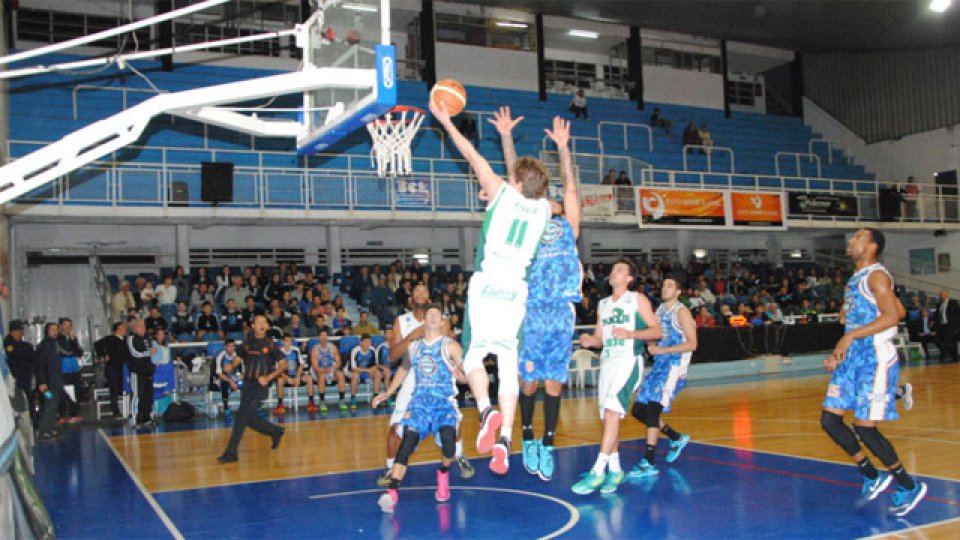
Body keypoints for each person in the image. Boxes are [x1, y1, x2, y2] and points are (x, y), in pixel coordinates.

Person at [437, 101, 551, 468]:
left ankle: (486, 410)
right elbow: (521, 181)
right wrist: (507, 140)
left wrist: (445, 121)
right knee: (507, 362)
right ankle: (505, 440)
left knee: (473, 356)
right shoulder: (545, 209)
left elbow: (469, 153)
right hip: (516, 291)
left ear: (515, 182)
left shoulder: (499, 191)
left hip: (487, 286)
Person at [820, 228, 926, 517]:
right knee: (830, 420)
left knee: (865, 427)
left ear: (872, 247)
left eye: (858, 237)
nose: (850, 241)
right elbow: (899, 310)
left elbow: (892, 318)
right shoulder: (858, 278)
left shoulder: (877, 276)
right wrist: (841, 349)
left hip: (874, 358)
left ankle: (908, 486)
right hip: (852, 358)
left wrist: (851, 335)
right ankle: (870, 474)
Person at [512, 115, 582, 480]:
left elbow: (570, 189)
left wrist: (563, 149)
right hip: (532, 309)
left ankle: (549, 443)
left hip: (561, 310)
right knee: (529, 382)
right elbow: (515, 190)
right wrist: (507, 140)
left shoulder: (568, 224)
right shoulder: (528, 222)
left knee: (554, 382)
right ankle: (527, 437)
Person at [572, 258, 661, 495]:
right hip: (608, 363)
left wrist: (631, 334)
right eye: (612, 269)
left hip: (628, 361)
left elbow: (657, 331)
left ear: (629, 278)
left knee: (612, 412)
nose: (613, 272)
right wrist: (591, 341)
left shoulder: (637, 299)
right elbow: (600, 338)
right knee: (608, 419)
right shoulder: (603, 304)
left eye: (619, 270)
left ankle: (597, 471)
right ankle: (615, 469)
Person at [372, 304, 466, 513]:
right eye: (429, 314)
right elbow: (403, 369)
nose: (432, 317)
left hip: (443, 405)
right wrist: (388, 392)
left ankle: (443, 474)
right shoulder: (414, 347)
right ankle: (392, 492)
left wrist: (463, 377)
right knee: (406, 443)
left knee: (449, 442)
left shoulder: (451, 346)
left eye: (437, 314)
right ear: (424, 321)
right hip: (420, 405)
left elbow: (467, 373)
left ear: (442, 322)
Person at [378, 283, 474, 486]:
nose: (421, 293)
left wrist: (463, 375)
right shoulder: (401, 321)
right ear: (411, 297)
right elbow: (393, 356)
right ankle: (390, 468)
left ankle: (459, 457)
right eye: (417, 291)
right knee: (396, 428)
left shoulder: (439, 320)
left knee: (451, 424)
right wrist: (411, 337)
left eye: (424, 291)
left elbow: (445, 348)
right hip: (411, 374)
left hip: (438, 374)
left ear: (429, 298)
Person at [628, 275, 697, 479]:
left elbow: (693, 344)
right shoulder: (659, 311)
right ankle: (676, 437)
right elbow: (655, 336)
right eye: (664, 285)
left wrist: (664, 351)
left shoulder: (681, 312)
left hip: (673, 368)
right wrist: (650, 344)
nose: (665, 288)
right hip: (659, 366)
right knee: (638, 410)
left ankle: (648, 462)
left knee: (652, 411)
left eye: (670, 285)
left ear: (678, 292)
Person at [218, 314, 286, 463]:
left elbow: (283, 365)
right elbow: (238, 357)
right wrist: (231, 365)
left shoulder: (271, 345)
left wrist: (268, 378)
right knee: (244, 417)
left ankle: (231, 453)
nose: (261, 325)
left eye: (264, 322)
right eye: (258, 322)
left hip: (260, 387)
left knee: (241, 417)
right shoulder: (247, 342)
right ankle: (275, 431)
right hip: (247, 385)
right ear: (253, 326)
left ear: (267, 326)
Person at [275, 334, 318, 414]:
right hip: (285, 376)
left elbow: (301, 365)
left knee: (309, 378)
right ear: (283, 342)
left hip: (296, 374)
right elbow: (278, 369)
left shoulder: (296, 350)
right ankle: (280, 405)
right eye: (287, 341)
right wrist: (287, 378)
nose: (289, 343)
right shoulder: (279, 352)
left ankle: (311, 403)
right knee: (280, 380)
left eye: (290, 341)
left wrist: (297, 377)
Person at [126, 319, 156, 429]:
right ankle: (135, 419)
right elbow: (134, 353)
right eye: (140, 326)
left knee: (148, 395)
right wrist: (148, 352)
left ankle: (147, 418)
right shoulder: (131, 338)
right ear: (134, 328)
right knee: (137, 395)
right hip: (137, 372)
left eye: (143, 325)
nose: (143, 328)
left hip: (148, 371)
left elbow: (152, 353)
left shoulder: (148, 338)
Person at [94, 322, 128, 418]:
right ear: (117, 329)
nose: (125, 329)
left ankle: (125, 409)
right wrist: (104, 355)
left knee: (123, 388)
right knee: (114, 389)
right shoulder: (110, 339)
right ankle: (115, 411)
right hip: (112, 367)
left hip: (123, 367)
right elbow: (97, 344)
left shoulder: (126, 339)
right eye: (122, 327)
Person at [36, 322, 63, 441]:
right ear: (47, 331)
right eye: (52, 329)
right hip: (47, 384)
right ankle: (43, 431)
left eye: (56, 329)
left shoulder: (55, 344)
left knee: (54, 406)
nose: (54, 332)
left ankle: (50, 428)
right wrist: (42, 382)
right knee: (49, 406)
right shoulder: (43, 346)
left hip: (56, 382)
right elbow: (39, 366)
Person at [310, 330, 347, 412]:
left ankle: (342, 400)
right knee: (321, 376)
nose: (324, 337)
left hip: (331, 370)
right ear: (319, 337)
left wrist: (333, 369)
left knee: (340, 374)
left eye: (325, 335)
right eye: (322, 335)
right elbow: (315, 367)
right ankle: (322, 401)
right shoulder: (315, 349)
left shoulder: (333, 347)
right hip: (319, 371)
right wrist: (325, 370)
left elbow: (338, 362)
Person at [57, 317, 84, 424]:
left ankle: (74, 414)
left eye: (70, 325)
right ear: (61, 326)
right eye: (66, 325)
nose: (68, 328)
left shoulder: (73, 339)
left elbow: (79, 352)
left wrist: (73, 341)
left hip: (74, 369)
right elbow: (65, 351)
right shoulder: (57, 339)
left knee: (75, 392)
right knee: (63, 393)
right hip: (62, 369)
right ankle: (62, 414)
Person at [349, 334, 381, 410]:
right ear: (361, 342)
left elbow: (376, 365)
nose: (368, 344)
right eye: (366, 342)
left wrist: (372, 370)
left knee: (378, 373)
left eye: (369, 342)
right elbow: (353, 368)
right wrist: (368, 370)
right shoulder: (355, 350)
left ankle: (375, 398)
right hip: (355, 371)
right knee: (355, 375)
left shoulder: (372, 350)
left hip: (367, 372)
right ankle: (353, 399)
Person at [4, 320, 35, 399]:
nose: (19, 333)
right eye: (16, 331)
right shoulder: (7, 345)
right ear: (11, 332)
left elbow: (32, 361)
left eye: (20, 331)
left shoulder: (26, 346)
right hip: (13, 380)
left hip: (26, 380)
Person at [216, 340, 242, 414]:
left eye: (233, 346)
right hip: (225, 378)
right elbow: (219, 374)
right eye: (229, 346)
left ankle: (245, 407)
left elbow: (242, 371)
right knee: (224, 384)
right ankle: (226, 407)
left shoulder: (238, 356)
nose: (231, 348)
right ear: (225, 347)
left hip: (236, 377)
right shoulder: (220, 357)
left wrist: (240, 378)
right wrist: (231, 381)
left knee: (247, 384)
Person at [935, 289, 959, 363]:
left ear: (948, 295)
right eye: (941, 295)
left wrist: (957, 326)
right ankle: (947, 355)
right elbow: (937, 315)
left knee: (952, 342)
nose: (942, 296)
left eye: (944, 294)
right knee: (943, 341)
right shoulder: (939, 304)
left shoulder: (953, 302)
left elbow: (958, 315)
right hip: (942, 326)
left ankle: (955, 358)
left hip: (951, 326)